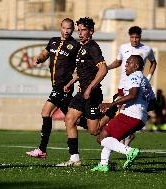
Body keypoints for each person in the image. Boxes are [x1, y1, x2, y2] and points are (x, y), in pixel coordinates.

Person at [56, 17, 108, 167]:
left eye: (83, 30)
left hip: (92, 94)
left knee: (94, 131)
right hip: (81, 93)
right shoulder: (80, 47)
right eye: (79, 30)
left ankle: (112, 115)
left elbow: (103, 69)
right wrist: (71, 82)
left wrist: (90, 87)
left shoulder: (93, 47)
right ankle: (74, 158)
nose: (80, 33)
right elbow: (83, 71)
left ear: (91, 31)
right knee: (69, 120)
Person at [26, 18, 81, 159]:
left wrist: (76, 81)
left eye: (69, 29)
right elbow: (45, 54)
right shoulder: (53, 41)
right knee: (73, 118)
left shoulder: (75, 45)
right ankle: (98, 127)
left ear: (72, 30)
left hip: (64, 86)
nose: (66, 31)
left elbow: (81, 67)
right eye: (64, 28)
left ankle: (42, 149)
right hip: (57, 85)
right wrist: (38, 59)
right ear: (60, 28)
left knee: (46, 112)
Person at [91, 55, 156, 172]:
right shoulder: (146, 80)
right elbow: (153, 103)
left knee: (102, 138)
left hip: (130, 114)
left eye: (128, 63)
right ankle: (103, 164)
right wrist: (142, 107)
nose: (125, 66)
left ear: (136, 66)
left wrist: (110, 104)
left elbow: (132, 94)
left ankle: (129, 151)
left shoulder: (134, 76)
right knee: (111, 138)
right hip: (141, 118)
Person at [107, 26, 157, 145]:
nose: (135, 40)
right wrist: (107, 67)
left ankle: (124, 140)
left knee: (129, 110)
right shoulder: (123, 47)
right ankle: (126, 138)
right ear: (129, 37)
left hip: (136, 86)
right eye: (132, 37)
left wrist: (148, 78)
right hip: (123, 85)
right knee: (122, 111)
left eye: (137, 37)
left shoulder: (146, 49)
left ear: (140, 37)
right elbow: (118, 62)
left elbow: (153, 63)